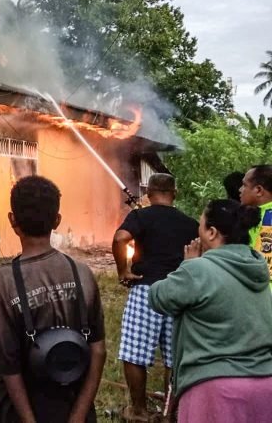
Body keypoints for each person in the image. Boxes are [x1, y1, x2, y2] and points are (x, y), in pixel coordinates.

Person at [0, 176, 106, 423]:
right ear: (57, 220)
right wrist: (79, 416)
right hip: (74, 402)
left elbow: (7, 366)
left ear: (12, 220)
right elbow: (98, 350)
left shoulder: (1, 283)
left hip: (21, 410)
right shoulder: (82, 273)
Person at [149, 200, 272, 422]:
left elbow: (158, 297)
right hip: (264, 387)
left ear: (212, 232)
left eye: (201, 223)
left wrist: (187, 265)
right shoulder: (257, 267)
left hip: (216, 390)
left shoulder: (198, 269)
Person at [111, 173, 197, 422]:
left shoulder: (140, 216)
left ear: (148, 193)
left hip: (145, 290)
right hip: (178, 291)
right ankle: (172, 412)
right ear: (175, 193)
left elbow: (120, 238)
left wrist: (123, 270)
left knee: (134, 352)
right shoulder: (190, 223)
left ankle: (138, 411)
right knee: (174, 356)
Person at [239, 164, 272, 278]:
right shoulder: (258, 214)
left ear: (258, 190)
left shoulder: (268, 220)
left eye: (244, 185)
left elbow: (264, 270)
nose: (240, 190)